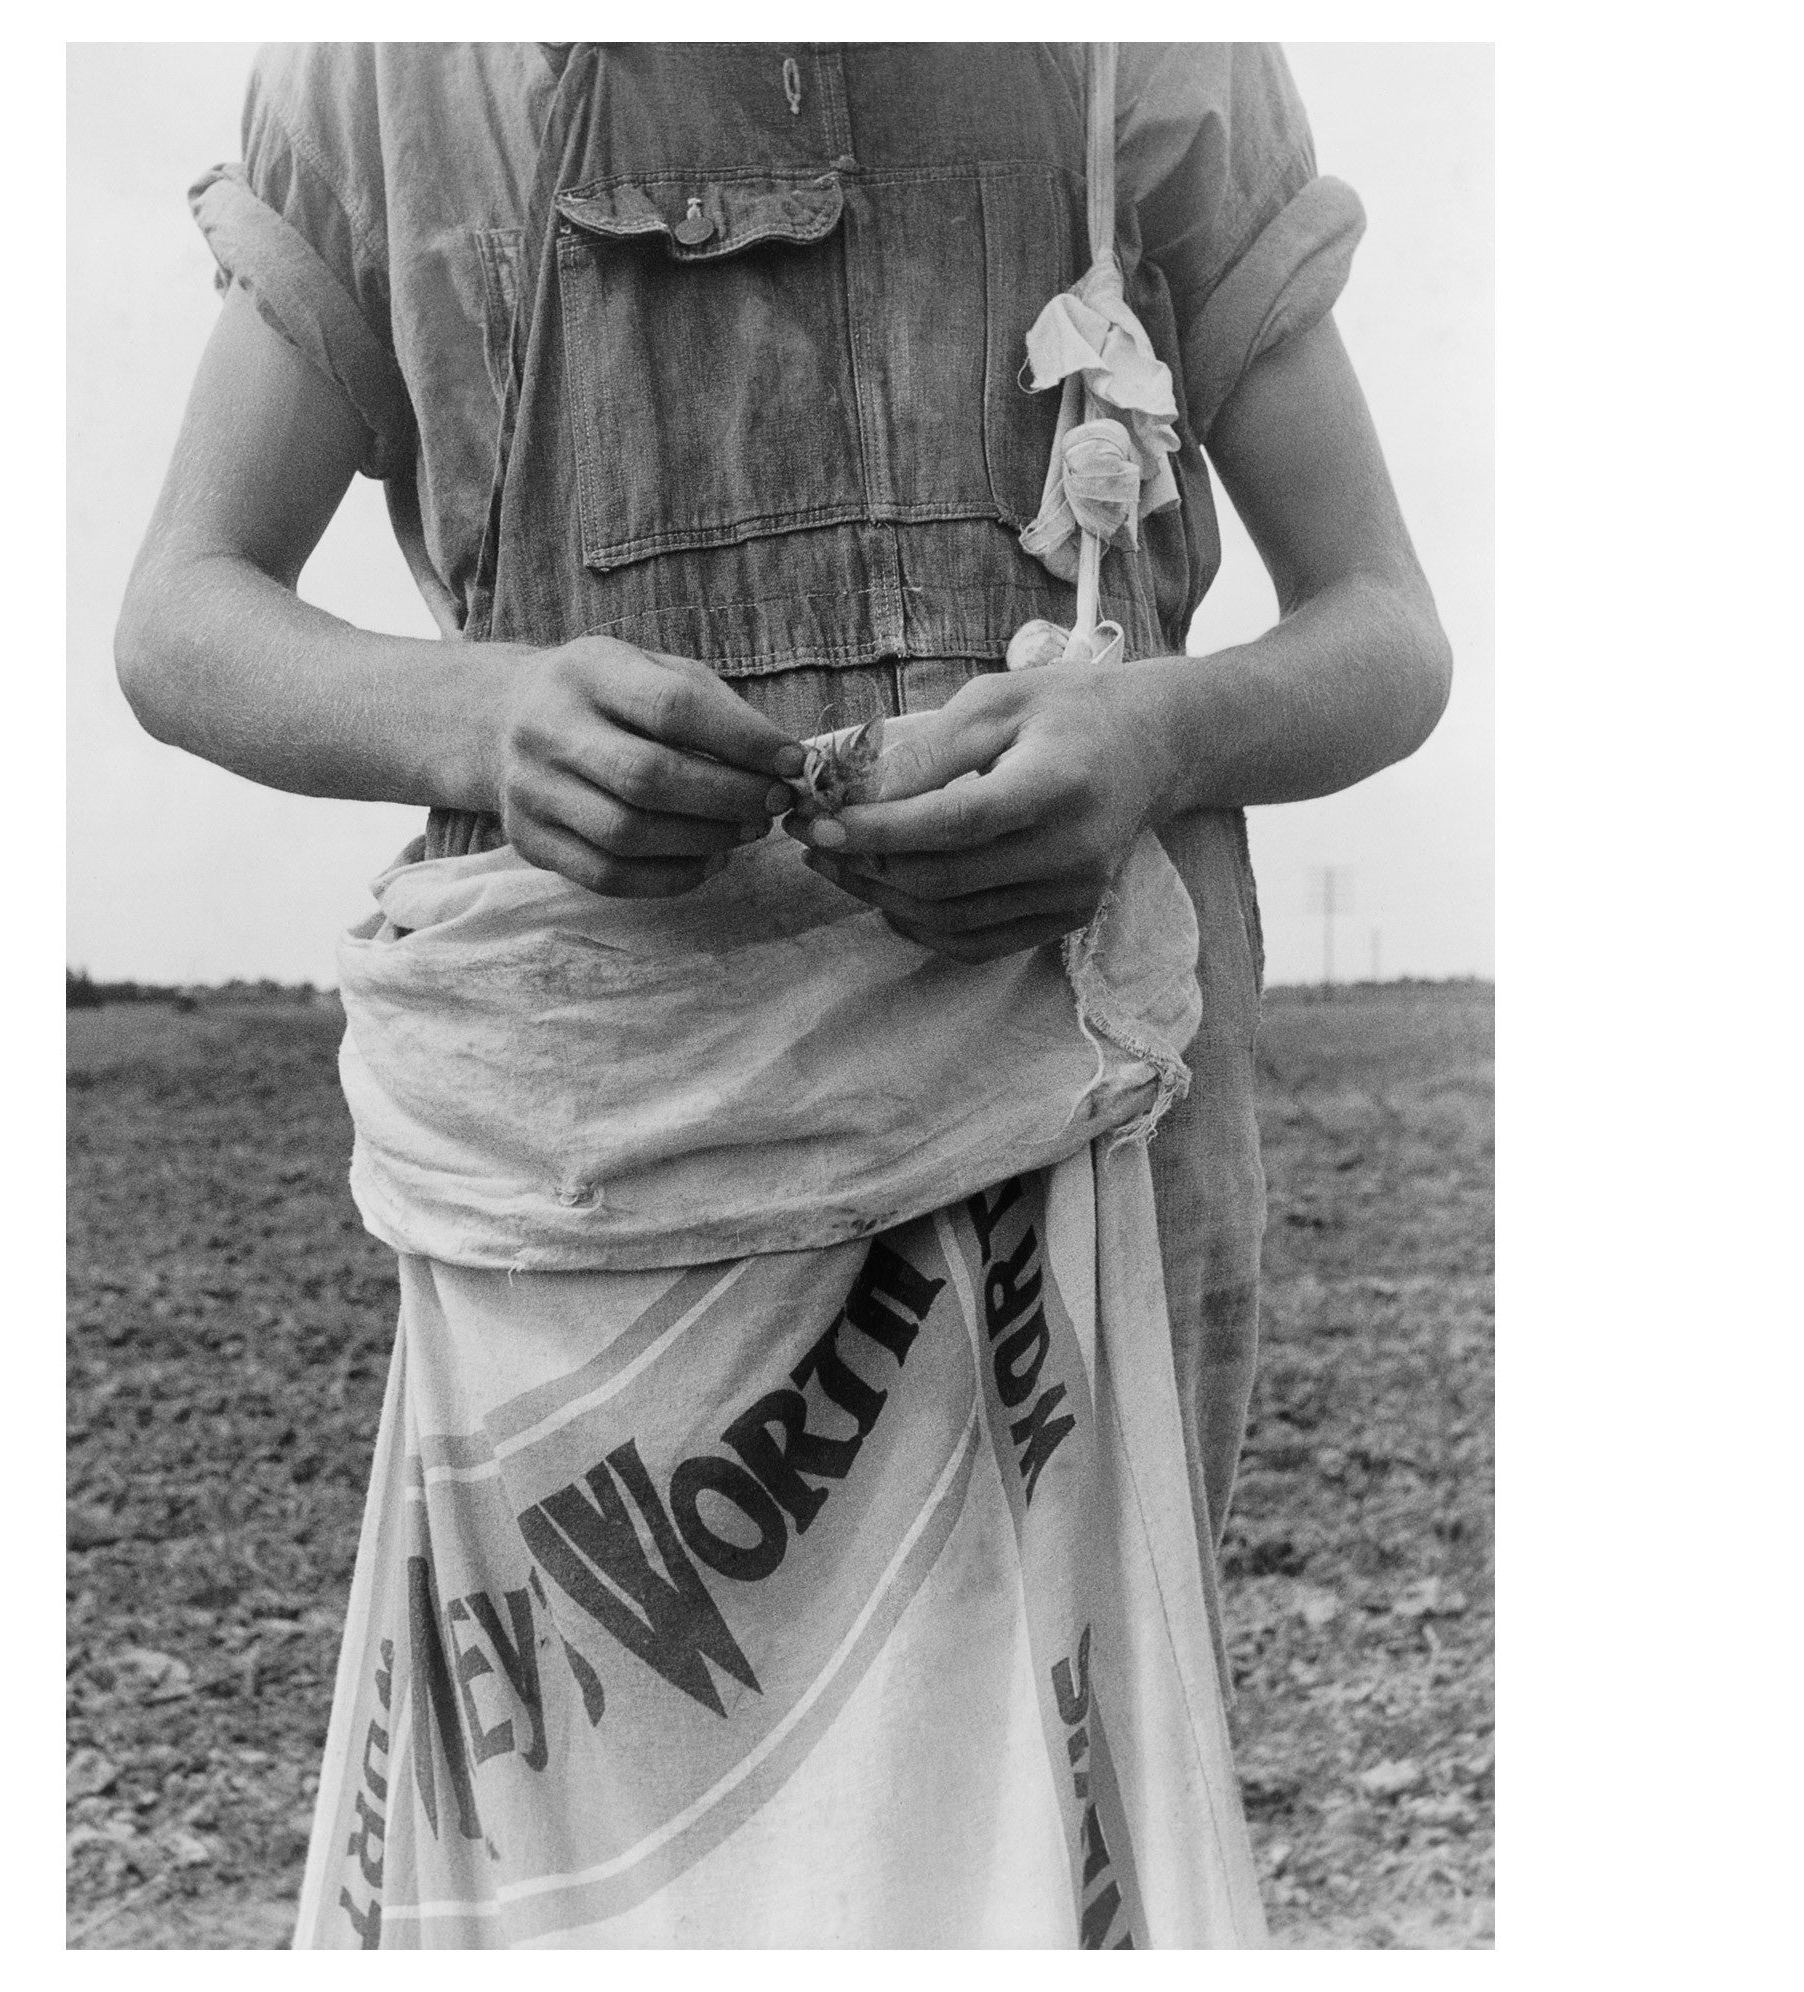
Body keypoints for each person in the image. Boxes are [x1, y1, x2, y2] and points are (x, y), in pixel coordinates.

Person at [117, 43, 1449, 1949]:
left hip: (1085, 1147)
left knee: (1024, 1856)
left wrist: (1150, 732)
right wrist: (489, 715)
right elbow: (181, 609)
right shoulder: (390, 82)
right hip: (600, 1190)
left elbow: (1384, 628)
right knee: (635, 1874)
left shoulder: (1147, 63)